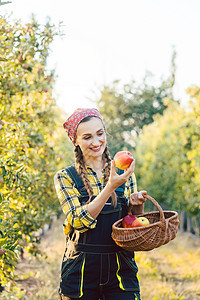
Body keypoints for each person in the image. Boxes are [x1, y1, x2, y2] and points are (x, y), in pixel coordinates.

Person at [54, 108, 147, 300]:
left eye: (100, 134)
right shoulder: (65, 177)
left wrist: (137, 205)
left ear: (105, 132)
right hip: (80, 270)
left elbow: (132, 225)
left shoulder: (124, 172)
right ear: (76, 141)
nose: (96, 142)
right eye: (87, 137)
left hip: (120, 267)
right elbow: (78, 221)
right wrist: (110, 187)